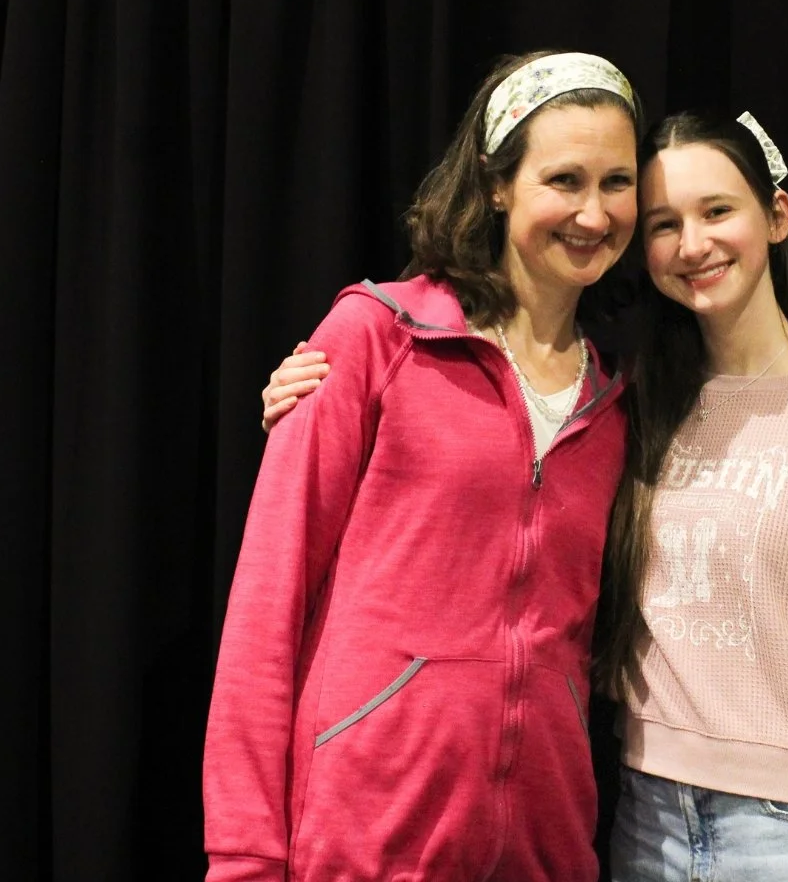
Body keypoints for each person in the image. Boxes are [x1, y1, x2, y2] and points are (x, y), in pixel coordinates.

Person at [262, 110, 788, 880]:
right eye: (664, 224)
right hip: (646, 823)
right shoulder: (632, 401)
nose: (693, 244)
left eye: (718, 211)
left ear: (778, 216)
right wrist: (314, 403)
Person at [206, 50, 644, 882]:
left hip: (544, 853)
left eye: (616, 182)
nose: (593, 213)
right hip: (367, 842)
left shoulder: (616, 402)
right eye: (564, 180)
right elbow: (268, 602)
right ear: (497, 184)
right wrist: (244, 855)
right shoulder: (377, 337)